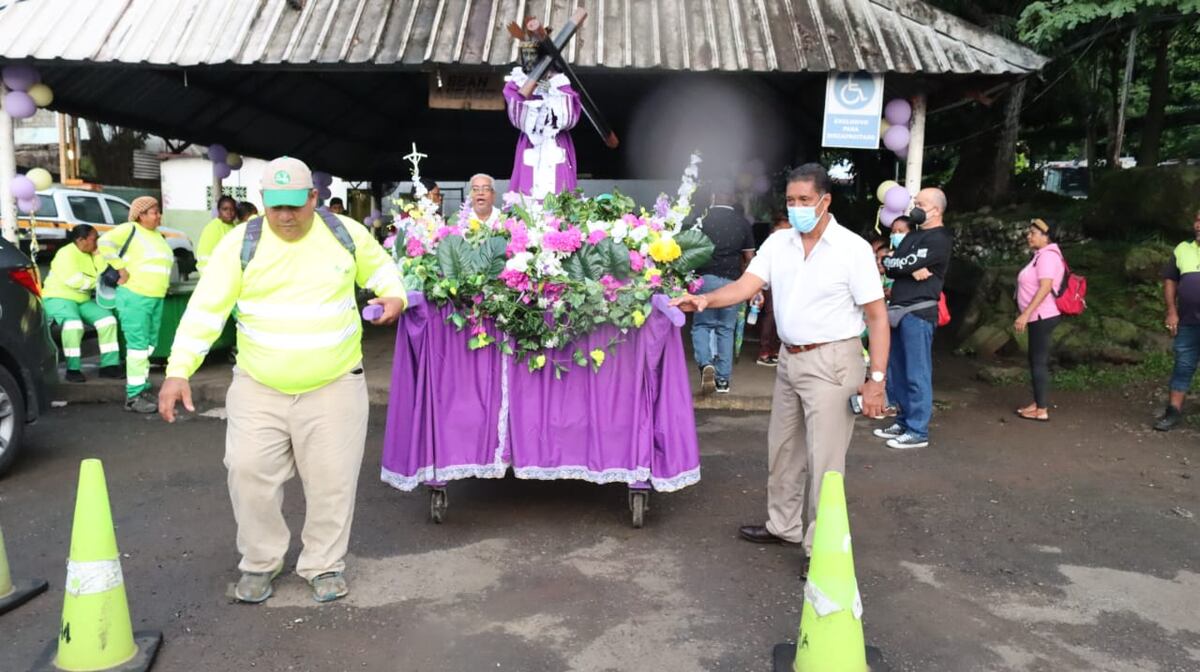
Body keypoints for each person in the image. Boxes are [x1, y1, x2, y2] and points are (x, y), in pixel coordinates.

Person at [159, 156, 406, 604]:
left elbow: (382, 269)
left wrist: (393, 294)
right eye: (276, 207)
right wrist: (178, 370)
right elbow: (205, 311)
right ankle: (260, 561)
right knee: (248, 472)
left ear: (313, 197)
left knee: (333, 480)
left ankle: (323, 564)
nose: (286, 217)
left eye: (295, 205)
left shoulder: (344, 233)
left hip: (334, 384)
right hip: (259, 385)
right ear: (263, 202)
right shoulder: (241, 244)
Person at [672, 164, 889, 564]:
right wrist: (703, 300)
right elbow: (743, 287)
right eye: (791, 201)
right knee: (784, 449)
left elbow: (877, 317)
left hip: (834, 362)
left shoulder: (852, 249)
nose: (798, 208)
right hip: (790, 360)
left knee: (825, 460)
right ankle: (783, 525)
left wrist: (875, 380)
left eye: (805, 200)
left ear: (826, 201)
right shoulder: (778, 244)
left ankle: (821, 550)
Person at [875, 188, 952, 450]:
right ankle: (904, 420)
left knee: (917, 372)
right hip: (896, 310)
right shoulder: (912, 236)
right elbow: (892, 264)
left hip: (919, 312)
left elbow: (899, 264)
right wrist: (908, 265)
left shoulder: (941, 238)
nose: (914, 208)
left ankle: (918, 430)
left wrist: (903, 264)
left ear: (936, 210)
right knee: (897, 371)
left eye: (920, 203)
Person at [99, 196, 173, 414]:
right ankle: (134, 395)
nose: (158, 215)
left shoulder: (157, 235)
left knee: (149, 345)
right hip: (135, 297)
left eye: (158, 211)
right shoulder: (130, 228)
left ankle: (142, 386)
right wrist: (120, 268)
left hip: (155, 297)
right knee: (138, 346)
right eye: (154, 212)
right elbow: (104, 243)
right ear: (141, 215)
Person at [692, 182, 756, 393]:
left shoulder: (702, 220)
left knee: (702, 325)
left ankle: (706, 364)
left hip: (705, 279)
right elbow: (749, 257)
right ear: (732, 198)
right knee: (726, 329)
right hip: (733, 283)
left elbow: (688, 251)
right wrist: (750, 284)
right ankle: (722, 380)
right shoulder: (742, 223)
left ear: (713, 195)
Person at [43, 224, 122, 382]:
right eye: (94, 239)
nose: (97, 242)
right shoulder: (65, 253)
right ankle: (73, 369)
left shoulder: (91, 253)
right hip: (59, 298)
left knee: (108, 320)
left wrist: (98, 254)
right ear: (81, 240)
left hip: (82, 300)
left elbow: (103, 271)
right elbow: (74, 280)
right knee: (74, 325)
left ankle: (109, 366)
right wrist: (98, 283)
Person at [1013, 218, 1065, 422]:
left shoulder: (1048, 257)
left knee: (1038, 362)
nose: (1029, 236)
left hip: (1042, 315)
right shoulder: (1041, 255)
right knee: (1035, 360)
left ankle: (1041, 409)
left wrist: (1026, 314)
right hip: (1039, 315)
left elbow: (1045, 287)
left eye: (1033, 233)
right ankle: (1037, 403)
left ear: (1046, 237)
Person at [1155, 209, 1200, 431]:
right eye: (1198, 220)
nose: (1199, 225)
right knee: (1182, 365)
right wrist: (1172, 311)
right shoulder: (1183, 249)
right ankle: (1173, 412)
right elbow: (1171, 281)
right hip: (1188, 321)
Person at [755, 212, 790, 366]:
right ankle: (764, 352)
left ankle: (774, 350)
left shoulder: (783, 237)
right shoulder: (774, 240)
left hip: (784, 282)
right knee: (771, 316)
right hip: (773, 283)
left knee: (778, 317)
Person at [195, 196, 239, 275]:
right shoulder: (212, 228)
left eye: (232, 209)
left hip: (228, 275)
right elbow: (205, 256)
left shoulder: (235, 227)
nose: (229, 212)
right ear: (219, 211)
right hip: (213, 276)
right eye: (225, 209)